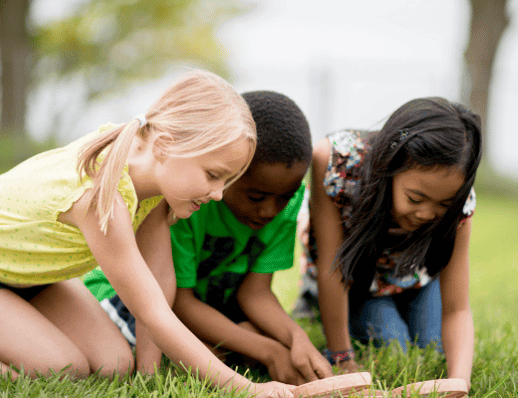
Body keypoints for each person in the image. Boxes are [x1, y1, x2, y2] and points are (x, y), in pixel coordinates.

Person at [0, 70, 294, 398]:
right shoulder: (101, 195)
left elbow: (158, 278)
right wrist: (245, 388)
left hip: (22, 276)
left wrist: (149, 375)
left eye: (227, 180)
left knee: (114, 364)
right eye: (214, 175)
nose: (217, 193)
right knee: (63, 367)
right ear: (165, 147)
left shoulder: (153, 181)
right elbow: (150, 309)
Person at [86, 91, 333, 385]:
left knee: (252, 336)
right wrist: (269, 351)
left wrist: (296, 338)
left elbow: (254, 293)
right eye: (256, 196)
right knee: (225, 350)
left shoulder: (285, 206)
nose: (270, 210)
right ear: (230, 173)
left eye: (285, 198)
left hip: (207, 304)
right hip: (136, 300)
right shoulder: (192, 200)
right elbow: (175, 301)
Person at [294, 97, 482, 389]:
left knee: (433, 348)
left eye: (443, 203)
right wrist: (342, 357)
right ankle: (309, 300)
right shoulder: (337, 164)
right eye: (416, 198)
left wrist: (459, 384)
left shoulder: (461, 201)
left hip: (417, 279)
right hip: (357, 282)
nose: (427, 214)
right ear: (390, 168)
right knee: (393, 346)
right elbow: (333, 264)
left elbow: (457, 308)